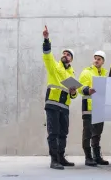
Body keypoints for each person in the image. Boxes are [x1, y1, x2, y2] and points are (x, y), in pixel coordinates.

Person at [42, 25, 78, 170]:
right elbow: (47, 55)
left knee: (63, 133)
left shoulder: (71, 74)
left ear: (71, 59)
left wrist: (74, 91)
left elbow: (73, 95)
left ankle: (61, 157)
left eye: (68, 54)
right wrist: (46, 39)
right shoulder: (54, 66)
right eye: (64, 53)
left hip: (64, 107)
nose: (65, 55)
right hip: (53, 104)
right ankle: (54, 159)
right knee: (53, 132)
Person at [78, 50, 109, 167]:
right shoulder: (86, 72)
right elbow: (80, 87)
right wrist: (87, 90)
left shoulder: (104, 74)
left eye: (99, 59)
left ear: (103, 62)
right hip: (88, 106)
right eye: (95, 58)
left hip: (100, 107)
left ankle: (96, 156)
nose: (96, 60)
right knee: (87, 132)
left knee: (97, 133)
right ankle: (88, 157)